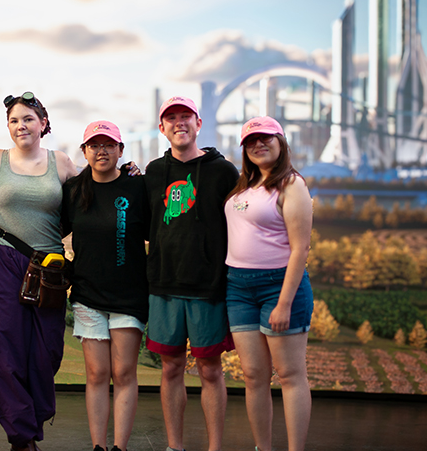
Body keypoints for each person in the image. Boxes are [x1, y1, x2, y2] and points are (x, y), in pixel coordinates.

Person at [0, 92, 78, 451]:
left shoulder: (62, 163)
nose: (21, 125)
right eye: (15, 120)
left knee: (46, 352)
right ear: (8, 127)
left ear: (43, 123)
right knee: (4, 348)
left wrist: (130, 174)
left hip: (49, 266)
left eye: (29, 119)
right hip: (4, 260)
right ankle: (21, 438)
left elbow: (90, 198)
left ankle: (33, 418)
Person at [143, 96, 238, 451]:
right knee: (171, 369)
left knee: (211, 370)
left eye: (186, 117)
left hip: (208, 286)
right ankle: (174, 446)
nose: (179, 123)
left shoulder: (222, 171)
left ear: (198, 124)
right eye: (172, 118)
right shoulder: (153, 173)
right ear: (162, 127)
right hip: (164, 285)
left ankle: (214, 447)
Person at [224, 116, 313, 451]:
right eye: (251, 141)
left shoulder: (292, 185)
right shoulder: (243, 186)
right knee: (253, 377)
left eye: (266, 138)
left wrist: (284, 303)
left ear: (281, 142)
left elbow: (300, 248)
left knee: (290, 376)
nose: (258, 145)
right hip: (238, 288)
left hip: (279, 287)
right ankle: (263, 447)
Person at [61, 121, 149, 451]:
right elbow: (51, 232)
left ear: (121, 150)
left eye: (109, 144)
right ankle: (99, 446)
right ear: (84, 152)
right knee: (97, 374)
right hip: (87, 295)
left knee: (124, 372)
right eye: (94, 145)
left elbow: (157, 233)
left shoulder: (137, 189)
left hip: (129, 295)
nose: (102, 150)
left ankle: (120, 447)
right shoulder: (73, 192)